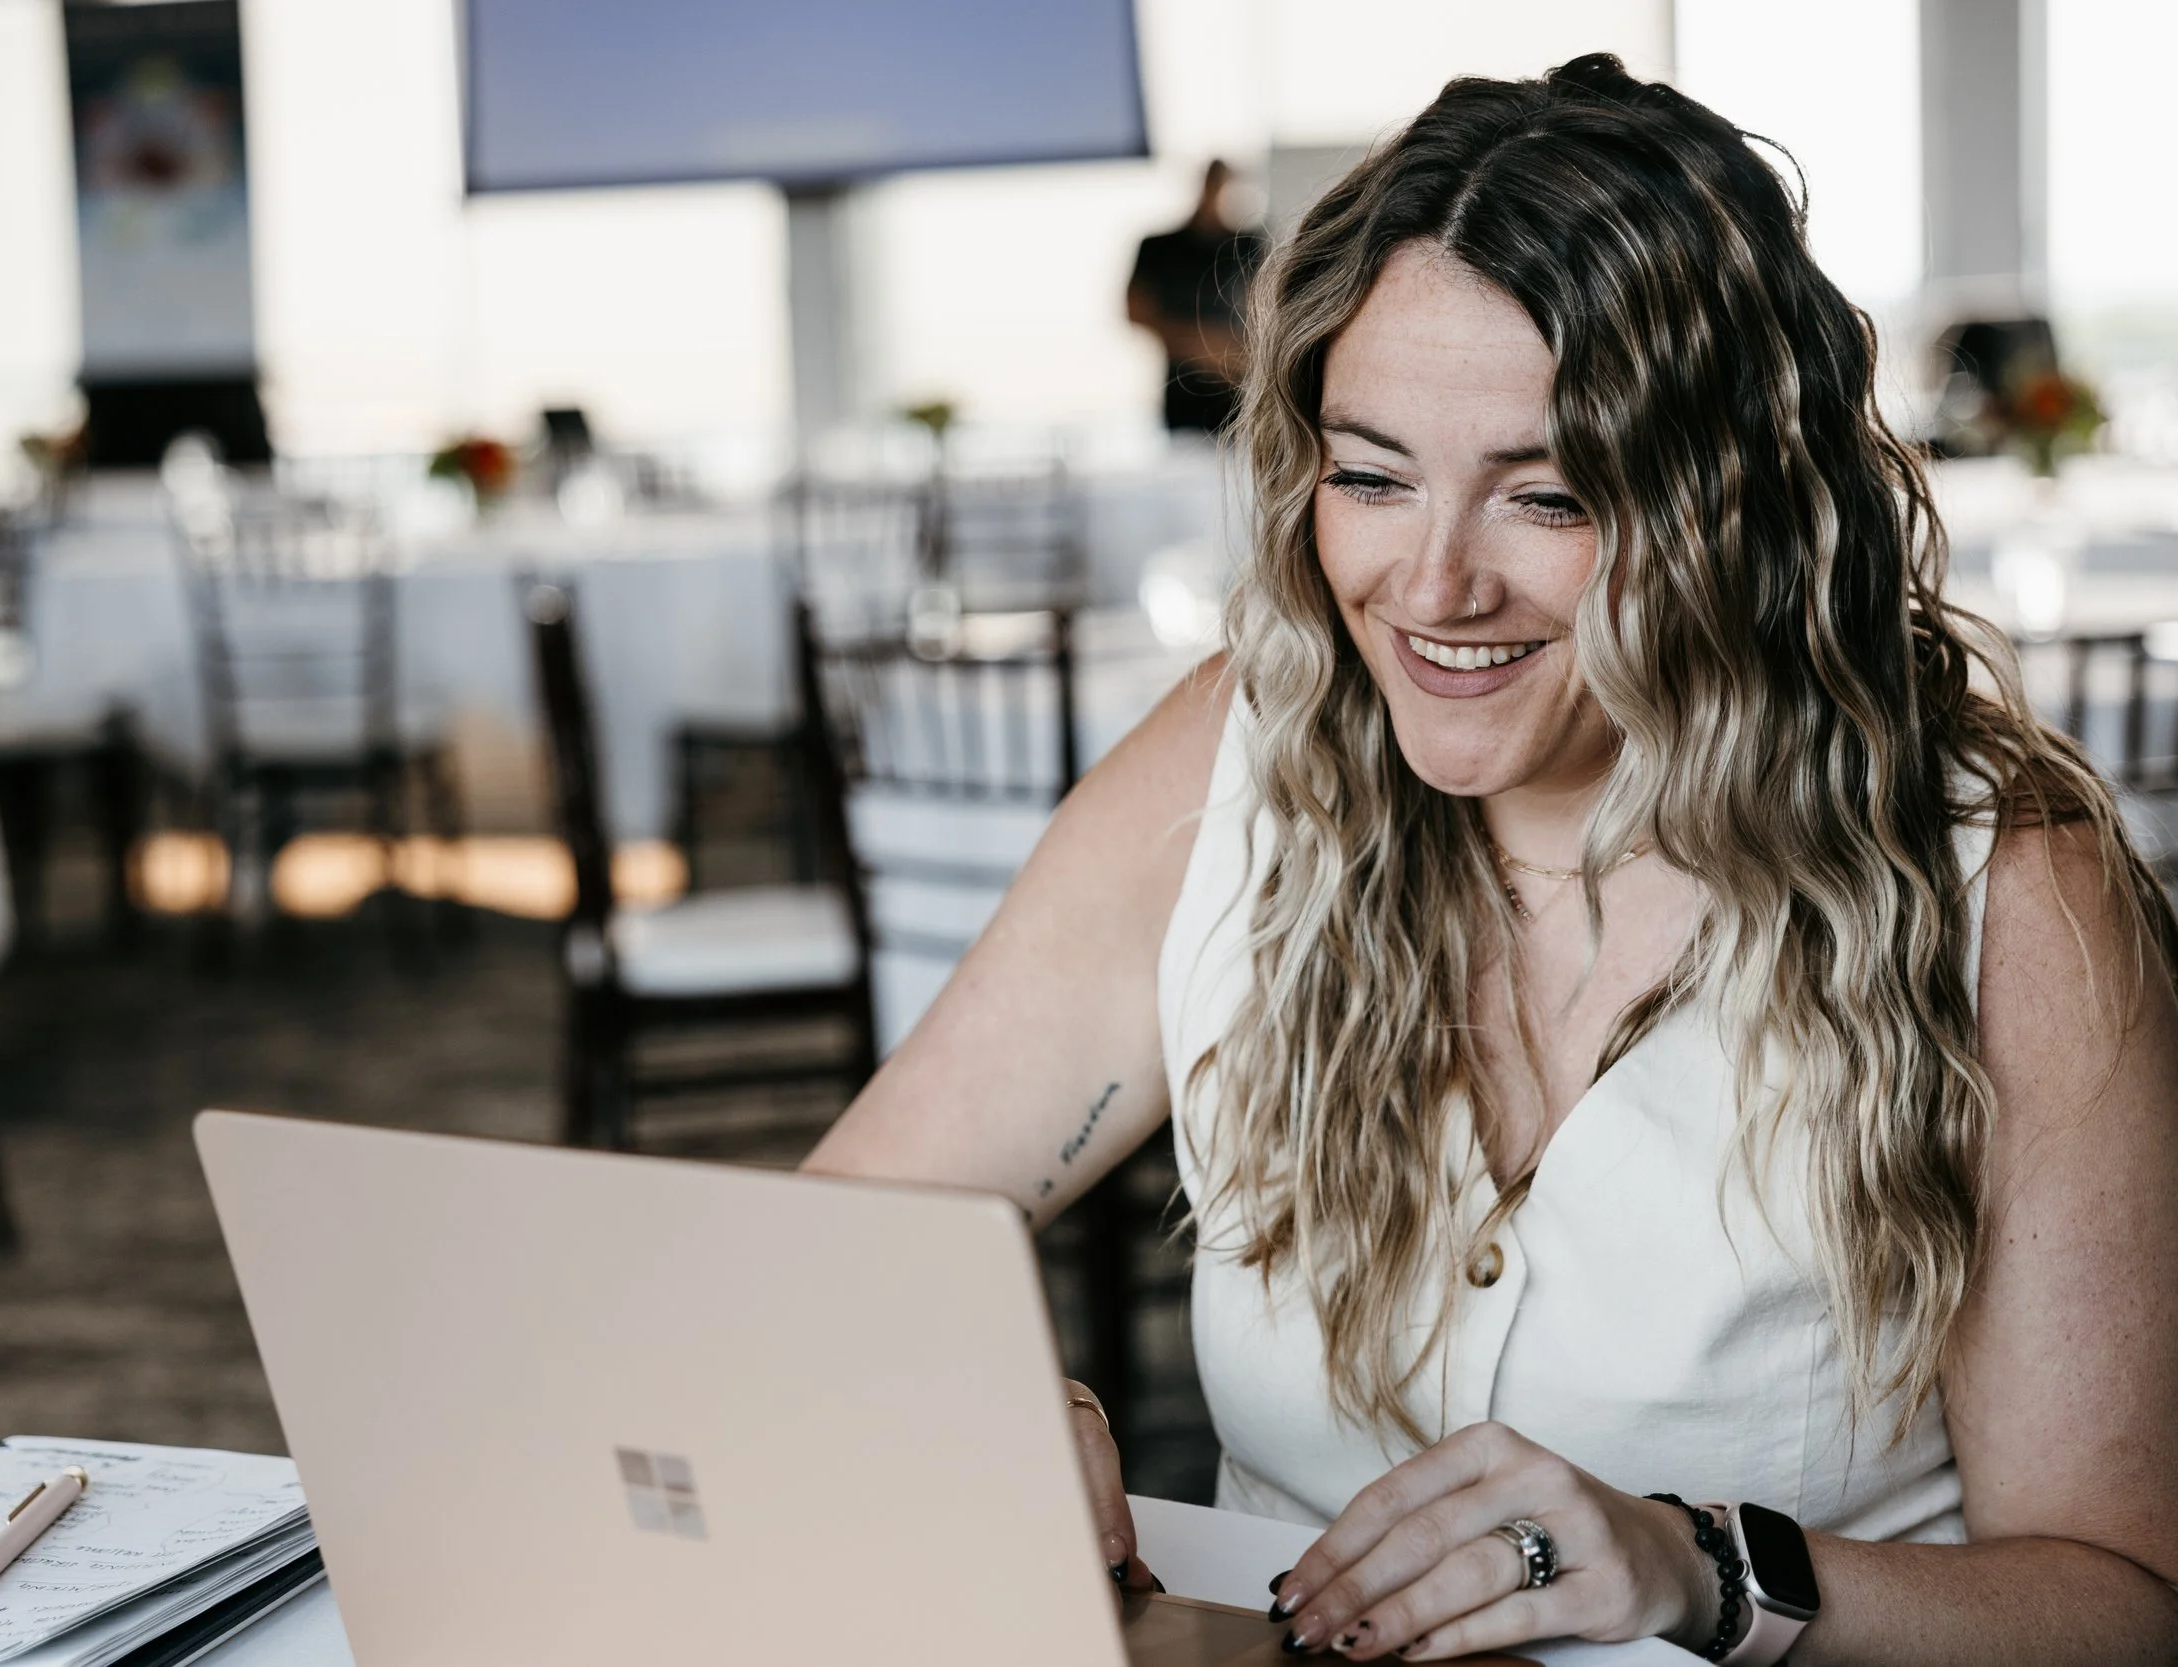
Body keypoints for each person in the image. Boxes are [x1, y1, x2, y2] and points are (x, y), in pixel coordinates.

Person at [807, 55, 2178, 1666]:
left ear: (1734, 504)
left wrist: (1706, 1570)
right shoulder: (1236, 767)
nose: (1434, 584)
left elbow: (2124, 1607)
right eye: (1371, 476)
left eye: (1550, 495)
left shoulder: (2002, 900)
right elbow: (827, 1253)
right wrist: (1004, 1399)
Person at [1128, 160, 1268, 434]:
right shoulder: (1160, 247)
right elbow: (1134, 310)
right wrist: (1200, 346)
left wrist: (1236, 352)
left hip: (1238, 388)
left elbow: (1270, 310)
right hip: (1183, 391)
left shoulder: (1248, 244)